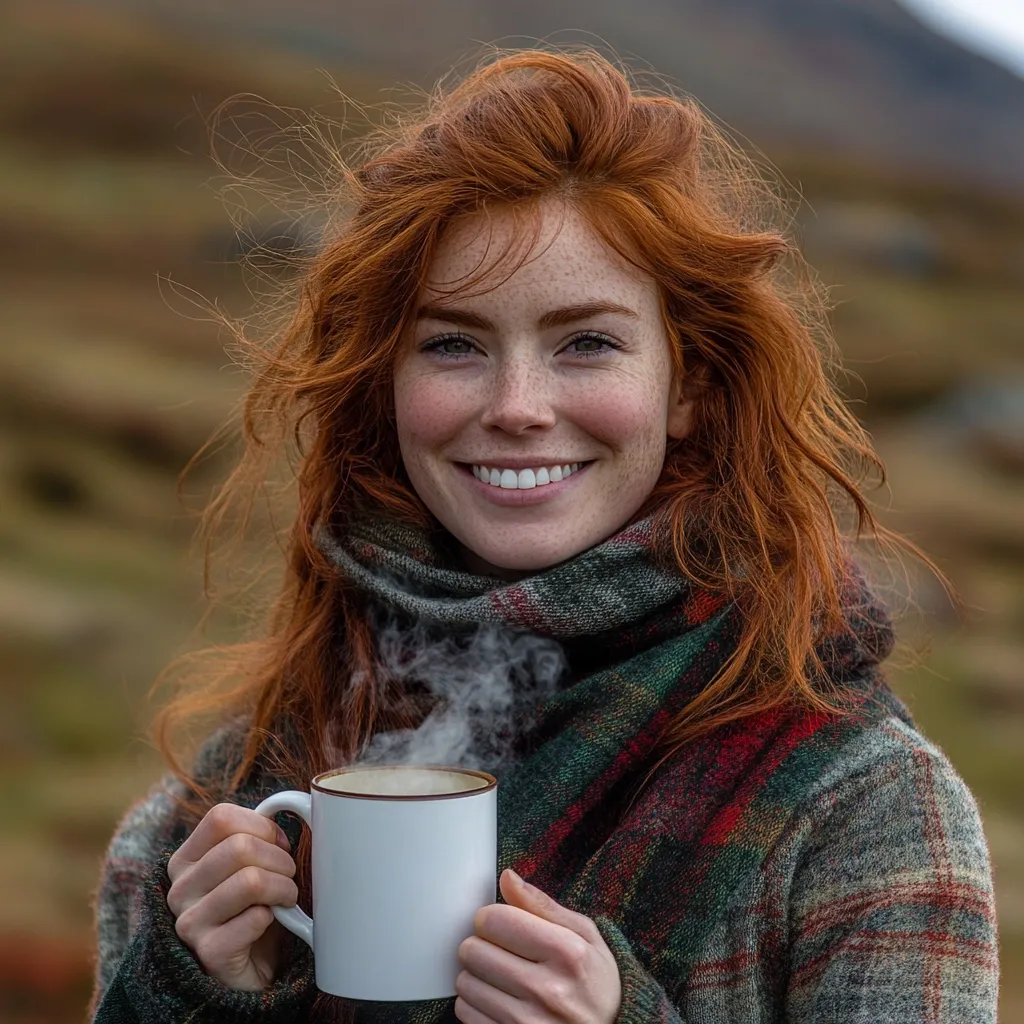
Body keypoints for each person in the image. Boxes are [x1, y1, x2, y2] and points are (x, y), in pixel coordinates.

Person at [87, 48, 999, 1024]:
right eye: (452, 344)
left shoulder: (861, 807)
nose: (517, 406)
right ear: (385, 384)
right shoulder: (219, 814)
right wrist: (183, 997)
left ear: (687, 386)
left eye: (587, 343)